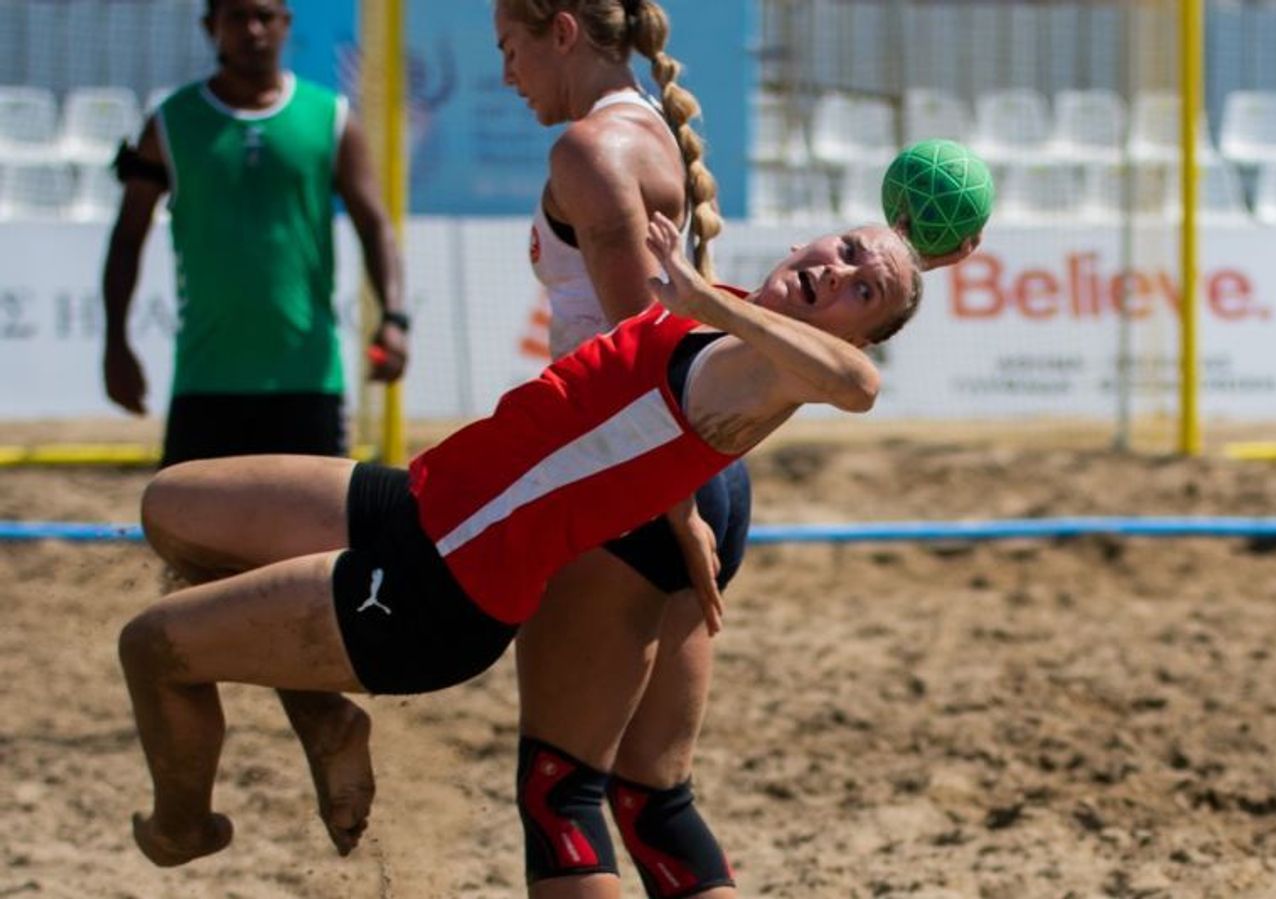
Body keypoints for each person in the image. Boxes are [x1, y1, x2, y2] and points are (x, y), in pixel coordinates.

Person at [117, 210, 923, 870]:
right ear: (805, 239)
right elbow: (645, 430)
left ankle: (183, 827)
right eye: (845, 250)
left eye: (862, 289)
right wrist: (683, 514)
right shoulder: (740, 322)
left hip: (438, 585)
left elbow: (859, 386)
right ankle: (327, 721)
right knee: (173, 508)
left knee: (151, 645)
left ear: (856, 335)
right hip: (423, 502)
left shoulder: (771, 363)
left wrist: (713, 305)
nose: (839, 271)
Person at [493, 1, 743, 895]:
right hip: (702, 467)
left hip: (633, 477)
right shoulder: (656, 133)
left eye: (512, 48)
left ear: (562, 30)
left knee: (561, 795)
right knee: (654, 798)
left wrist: (673, 510)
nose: (507, 74)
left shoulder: (590, 152)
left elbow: (642, 365)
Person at [101, 0, 407, 467]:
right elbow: (127, 238)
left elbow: (375, 226)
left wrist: (395, 318)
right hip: (205, 382)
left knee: (315, 539)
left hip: (308, 380)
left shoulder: (331, 117)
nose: (253, 29)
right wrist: (116, 343)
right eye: (237, 17)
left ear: (286, 24)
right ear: (210, 27)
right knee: (192, 537)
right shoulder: (171, 122)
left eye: (265, 16)